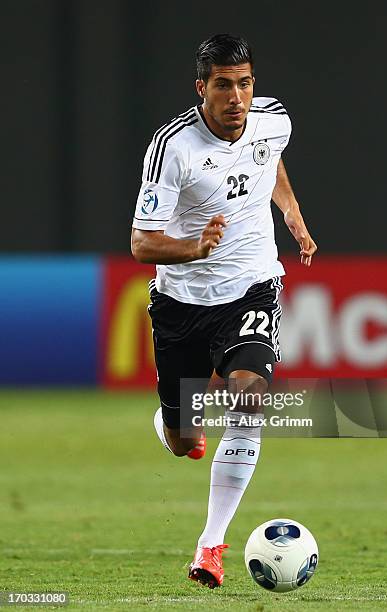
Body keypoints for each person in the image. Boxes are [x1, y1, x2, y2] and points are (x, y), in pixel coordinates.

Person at [131, 33, 317, 589]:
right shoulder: (172, 148)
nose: (236, 97)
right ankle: (174, 419)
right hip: (182, 303)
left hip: (253, 285)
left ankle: (211, 545)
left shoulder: (273, 119)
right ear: (201, 88)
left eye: (245, 83)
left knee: (248, 395)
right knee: (184, 438)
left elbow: (271, 162)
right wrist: (195, 248)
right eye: (223, 85)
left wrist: (293, 215)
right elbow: (143, 244)